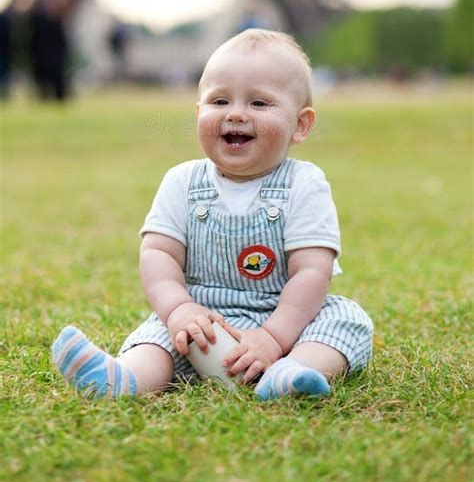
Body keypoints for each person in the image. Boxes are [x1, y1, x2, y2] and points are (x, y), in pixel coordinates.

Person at [52, 29, 373, 400]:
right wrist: (179, 310)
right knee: (157, 339)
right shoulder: (182, 181)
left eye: (259, 104)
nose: (236, 113)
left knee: (344, 322)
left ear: (300, 125)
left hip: (286, 322)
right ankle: (124, 380)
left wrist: (273, 337)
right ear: (198, 112)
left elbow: (311, 270)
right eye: (219, 101)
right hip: (201, 324)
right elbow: (158, 254)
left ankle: (292, 372)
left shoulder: (304, 183)